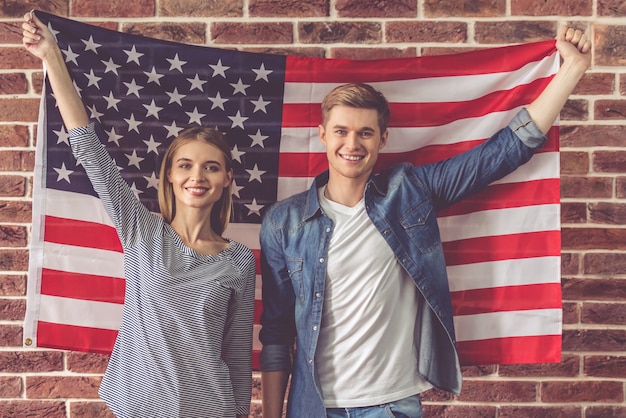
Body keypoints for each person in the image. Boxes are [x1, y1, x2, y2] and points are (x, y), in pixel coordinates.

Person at [259, 25, 591, 418]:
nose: (352, 144)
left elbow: (502, 153)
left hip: (391, 405)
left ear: (383, 138)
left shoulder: (410, 192)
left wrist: (572, 70)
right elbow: (277, 333)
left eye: (365, 133)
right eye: (341, 132)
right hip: (313, 407)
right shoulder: (284, 222)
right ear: (322, 136)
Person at [23, 11, 256, 418]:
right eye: (185, 165)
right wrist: (51, 57)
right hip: (139, 408)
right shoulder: (141, 230)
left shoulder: (238, 259)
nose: (196, 176)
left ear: (226, 180)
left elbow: (236, 358)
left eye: (211, 167)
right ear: (169, 174)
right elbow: (88, 148)